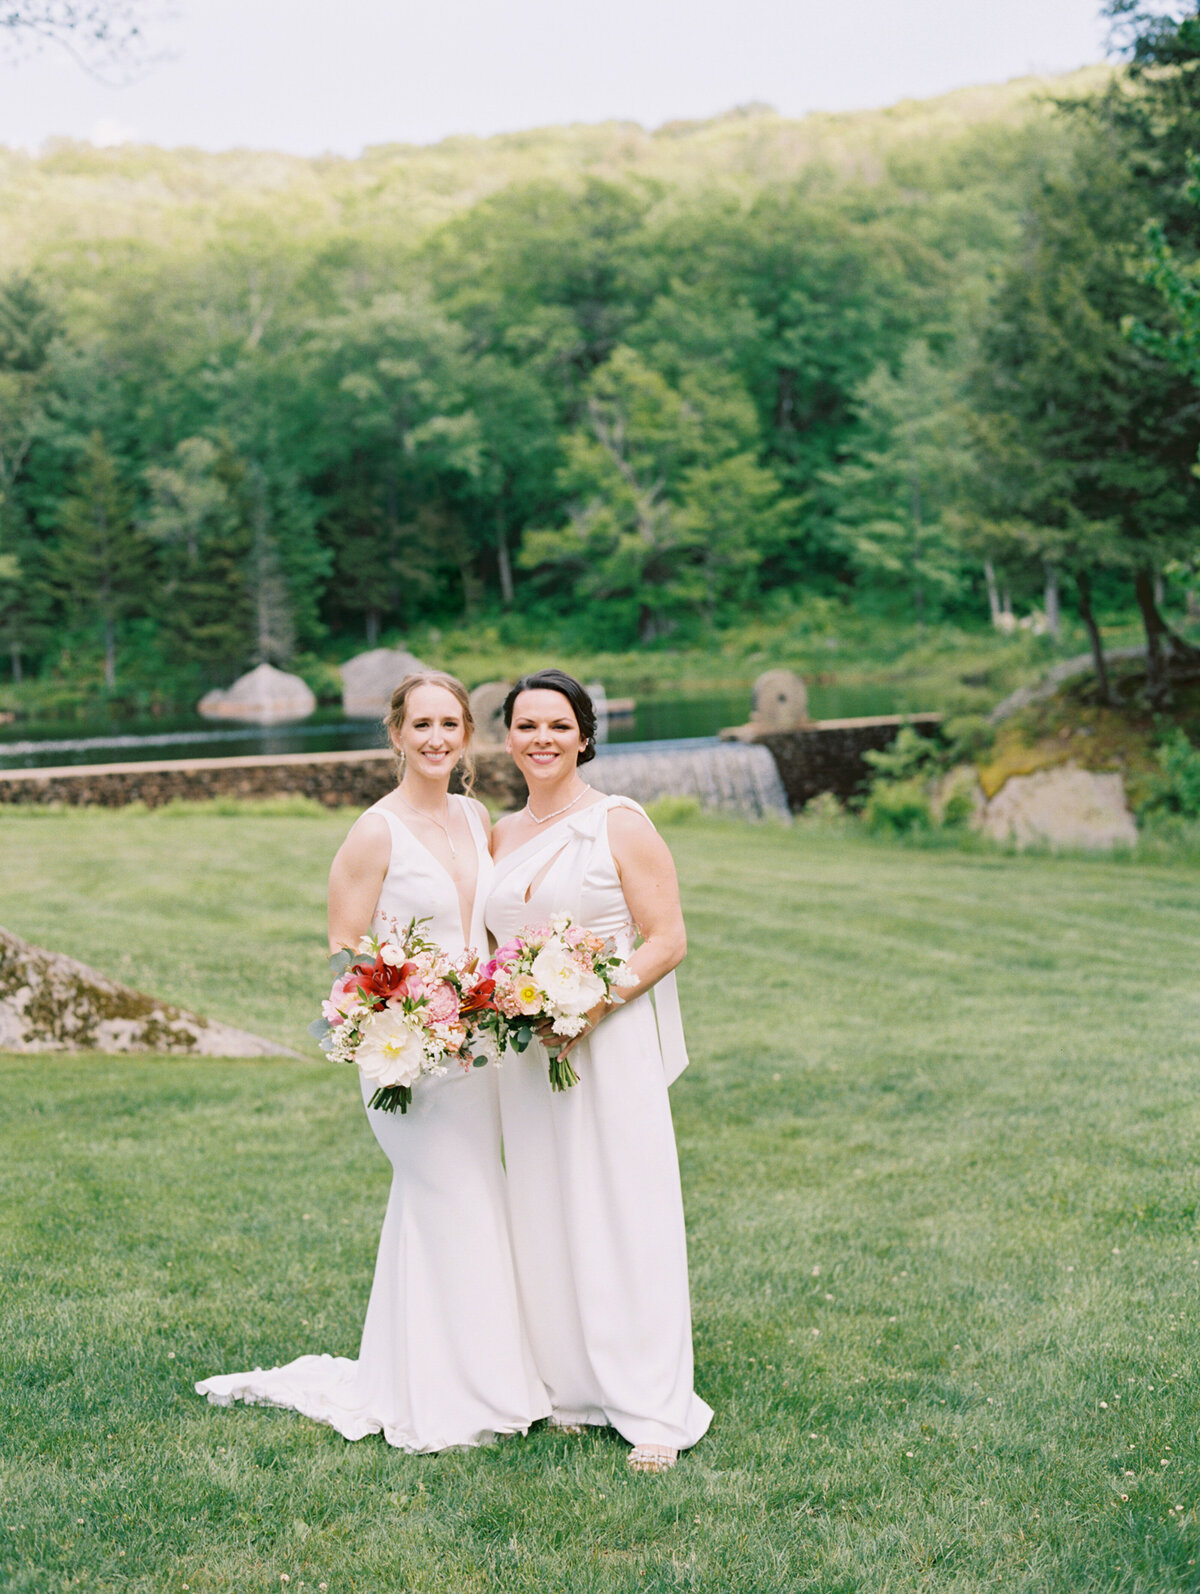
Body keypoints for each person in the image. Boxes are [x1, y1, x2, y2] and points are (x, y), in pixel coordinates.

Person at [197, 672, 549, 1451]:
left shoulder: (475, 813)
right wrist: (398, 1011)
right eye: (420, 723)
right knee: (450, 1197)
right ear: (395, 734)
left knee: (472, 1202)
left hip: (479, 1046)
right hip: (409, 1055)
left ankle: (457, 1376)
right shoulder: (374, 831)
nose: (435, 738)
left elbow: (485, 933)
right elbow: (344, 948)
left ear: (465, 735)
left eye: (449, 723)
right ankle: (457, 1401)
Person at [485, 668, 712, 1473]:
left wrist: (590, 1006)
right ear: (507, 738)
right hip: (527, 1053)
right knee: (542, 1208)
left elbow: (666, 938)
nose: (541, 739)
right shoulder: (499, 836)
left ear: (584, 734)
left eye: (557, 724)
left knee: (624, 1210)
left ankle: (653, 1406)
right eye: (525, 725)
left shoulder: (620, 823)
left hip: (606, 1044)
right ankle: (572, 1389)